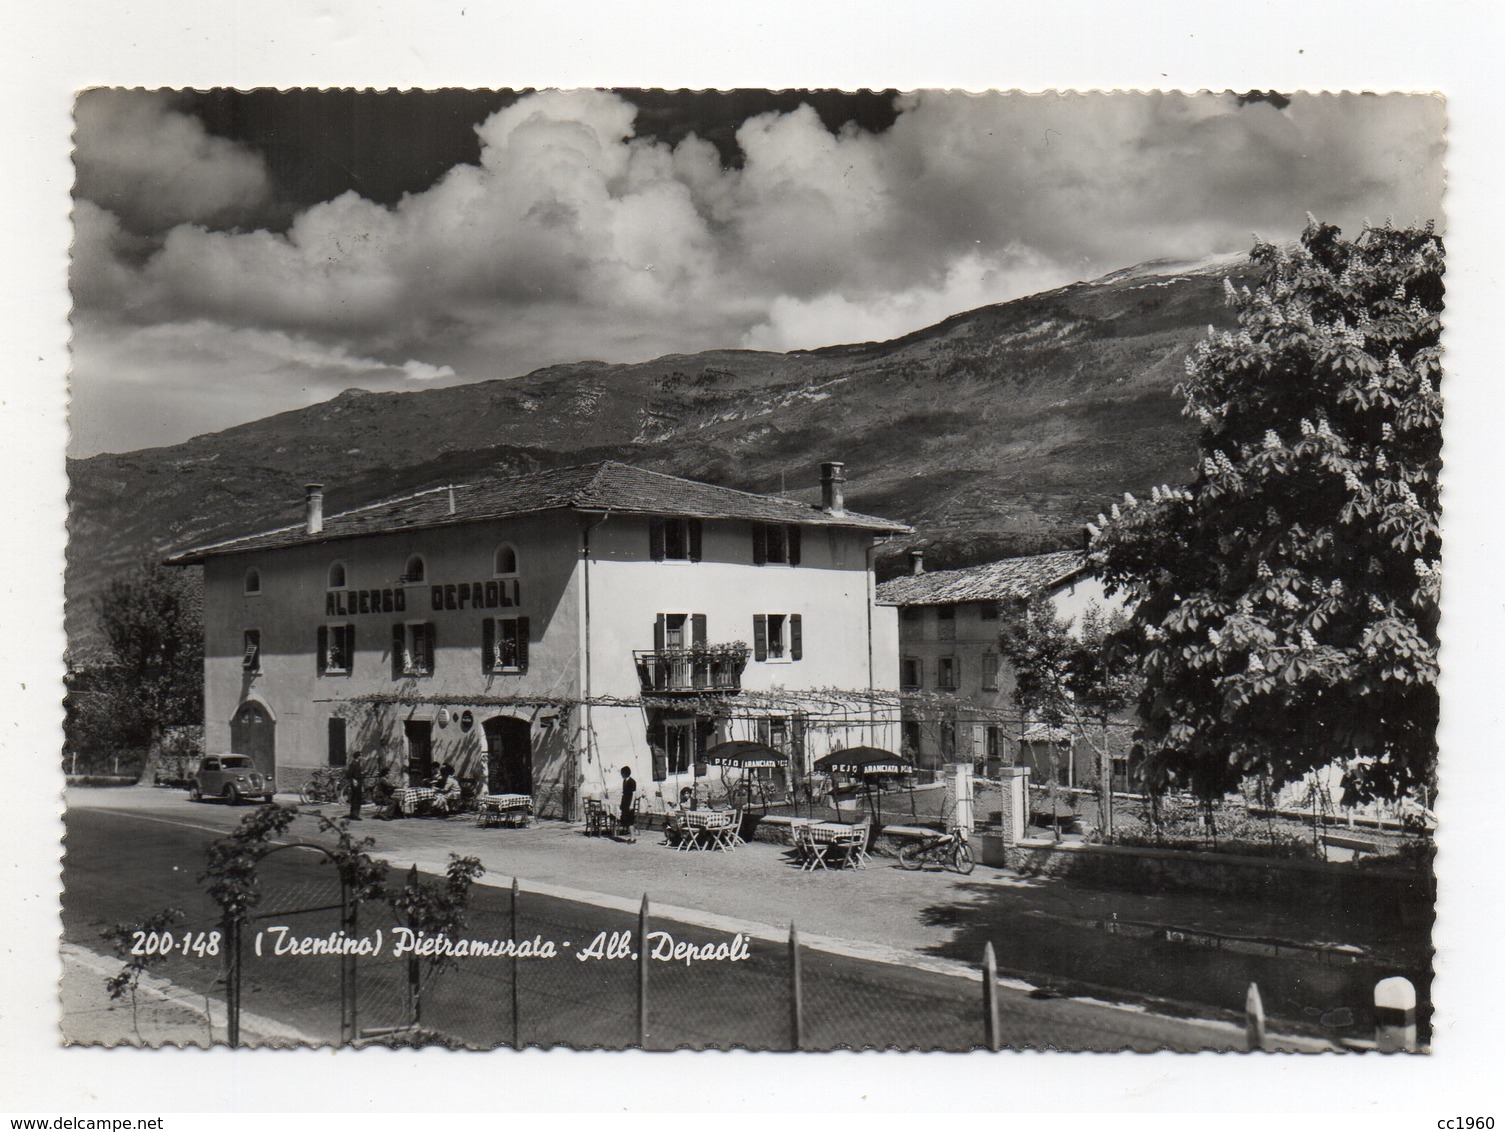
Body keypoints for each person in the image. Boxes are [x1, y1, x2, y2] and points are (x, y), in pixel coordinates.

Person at [617, 765, 637, 842]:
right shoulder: (625, 781)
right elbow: (624, 793)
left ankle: (633, 837)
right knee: (627, 820)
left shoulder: (632, 782)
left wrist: (631, 804)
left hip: (629, 803)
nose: (621, 775)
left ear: (625, 773)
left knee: (630, 820)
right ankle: (632, 836)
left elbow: (634, 794)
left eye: (622, 773)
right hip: (625, 803)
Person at [344, 756, 365, 821]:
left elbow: (358, 773)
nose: (362, 757)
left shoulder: (357, 764)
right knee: (356, 798)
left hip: (358, 782)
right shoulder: (353, 764)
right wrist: (353, 779)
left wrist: (363, 774)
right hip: (356, 783)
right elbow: (349, 774)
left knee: (357, 798)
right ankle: (354, 815)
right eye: (361, 756)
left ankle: (354, 814)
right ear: (358, 756)